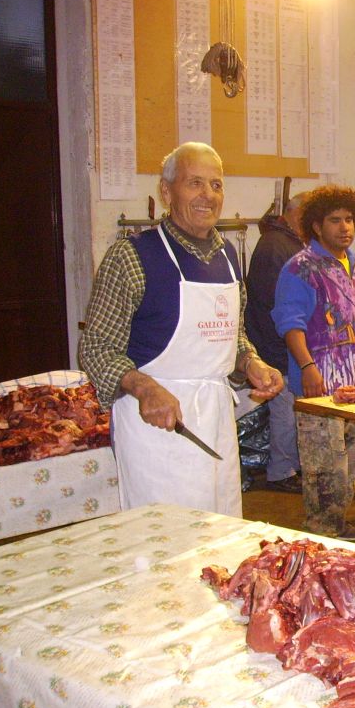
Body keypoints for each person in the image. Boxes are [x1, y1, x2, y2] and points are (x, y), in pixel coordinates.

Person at [79, 142, 283, 516]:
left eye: (216, 185)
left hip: (216, 420)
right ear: (166, 191)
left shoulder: (228, 256)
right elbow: (97, 348)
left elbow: (232, 334)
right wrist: (145, 388)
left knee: (220, 529)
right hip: (157, 425)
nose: (208, 195)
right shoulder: (131, 256)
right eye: (195, 183)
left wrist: (250, 362)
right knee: (166, 535)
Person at [272, 185, 355, 540]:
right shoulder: (300, 268)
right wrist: (307, 367)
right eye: (334, 220)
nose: (345, 227)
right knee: (324, 468)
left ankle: (338, 525)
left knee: (350, 461)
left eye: (349, 219)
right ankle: (322, 532)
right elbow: (290, 324)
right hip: (320, 389)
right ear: (316, 226)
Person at [244, 193, 309, 494]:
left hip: (283, 340)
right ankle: (281, 472)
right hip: (275, 342)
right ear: (298, 215)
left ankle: (290, 466)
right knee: (285, 410)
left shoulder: (288, 243)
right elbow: (275, 302)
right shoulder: (275, 246)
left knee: (291, 408)